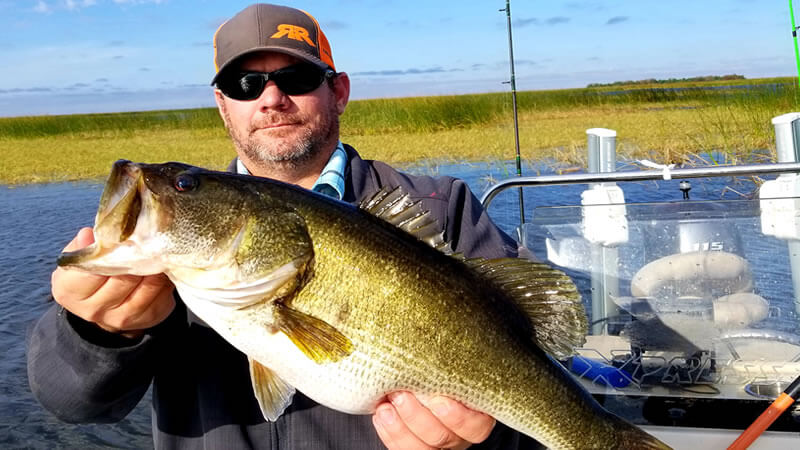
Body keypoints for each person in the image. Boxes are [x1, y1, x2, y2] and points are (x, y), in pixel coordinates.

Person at [28, 3, 541, 449]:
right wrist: (96, 333)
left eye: (296, 79)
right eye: (244, 84)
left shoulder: (441, 208)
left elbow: (537, 394)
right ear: (222, 105)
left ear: (338, 91)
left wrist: (481, 441)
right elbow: (74, 404)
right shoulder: (174, 245)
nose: (271, 99)